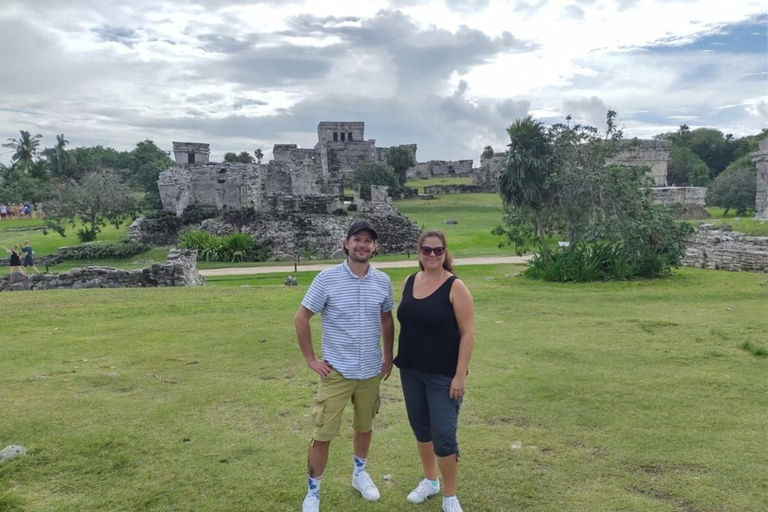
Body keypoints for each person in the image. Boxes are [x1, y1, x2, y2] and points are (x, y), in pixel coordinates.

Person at [294, 220, 395, 512]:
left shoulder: (382, 281)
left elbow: (387, 318)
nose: (363, 245)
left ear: (375, 247)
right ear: (346, 243)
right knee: (323, 432)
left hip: (370, 371)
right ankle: (313, 492)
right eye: (357, 239)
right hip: (337, 371)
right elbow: (301, 318)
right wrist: (311, 359)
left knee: (364, 426)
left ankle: (359, 474)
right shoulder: (327, 279)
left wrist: (388, 355)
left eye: (368, 241)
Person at [394, 230, 475, 512]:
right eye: (426, 250)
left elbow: (468, 334)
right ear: (419, 252)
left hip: (443, 375)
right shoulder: (408, 282)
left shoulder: (455, 286)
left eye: (437, 250)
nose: (432, 255)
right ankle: (430, 480)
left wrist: (459, 375)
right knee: (422, 430)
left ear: (445, 253)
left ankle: (450, 496)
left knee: (444, 436)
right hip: (411, 370)